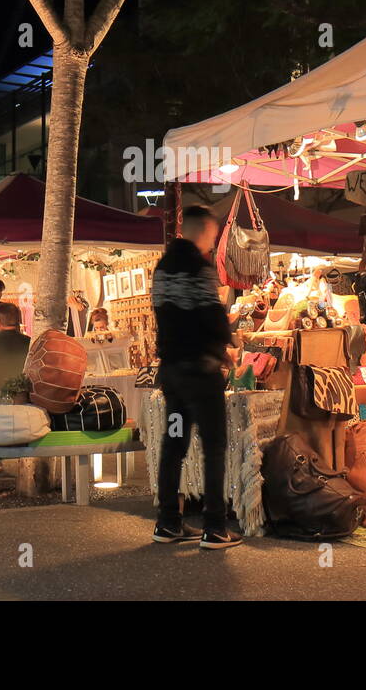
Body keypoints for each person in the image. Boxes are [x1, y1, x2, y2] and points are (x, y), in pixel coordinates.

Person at [151, 205, 240, 550]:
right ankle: (215, 527)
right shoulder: (199, 269)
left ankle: (168, 522)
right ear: (203, 232)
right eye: (213, 236)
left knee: (174, 443)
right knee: (213, 445)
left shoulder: (162, 268)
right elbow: (212, 317)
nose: (213, 243)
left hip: (173, 375)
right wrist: (228, 338)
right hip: (201, 375)